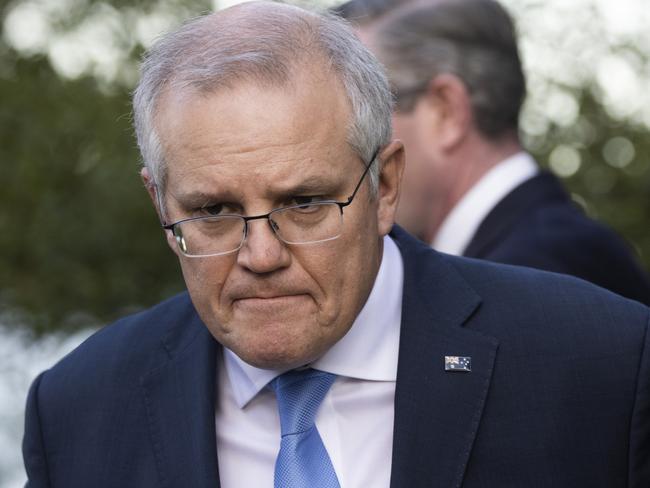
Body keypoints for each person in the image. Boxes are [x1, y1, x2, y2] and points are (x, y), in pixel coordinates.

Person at [22, 2, 650, 487]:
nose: (261, 256)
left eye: (304, 203)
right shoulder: (80, 410)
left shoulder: (599, 364)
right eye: (213, 211)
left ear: (386, 185)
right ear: (160, 203)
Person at [334, 0, 650, 305]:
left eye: (363, 109)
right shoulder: (543, 250)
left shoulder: (532, 275)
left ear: (446, 112)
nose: (338, 142)